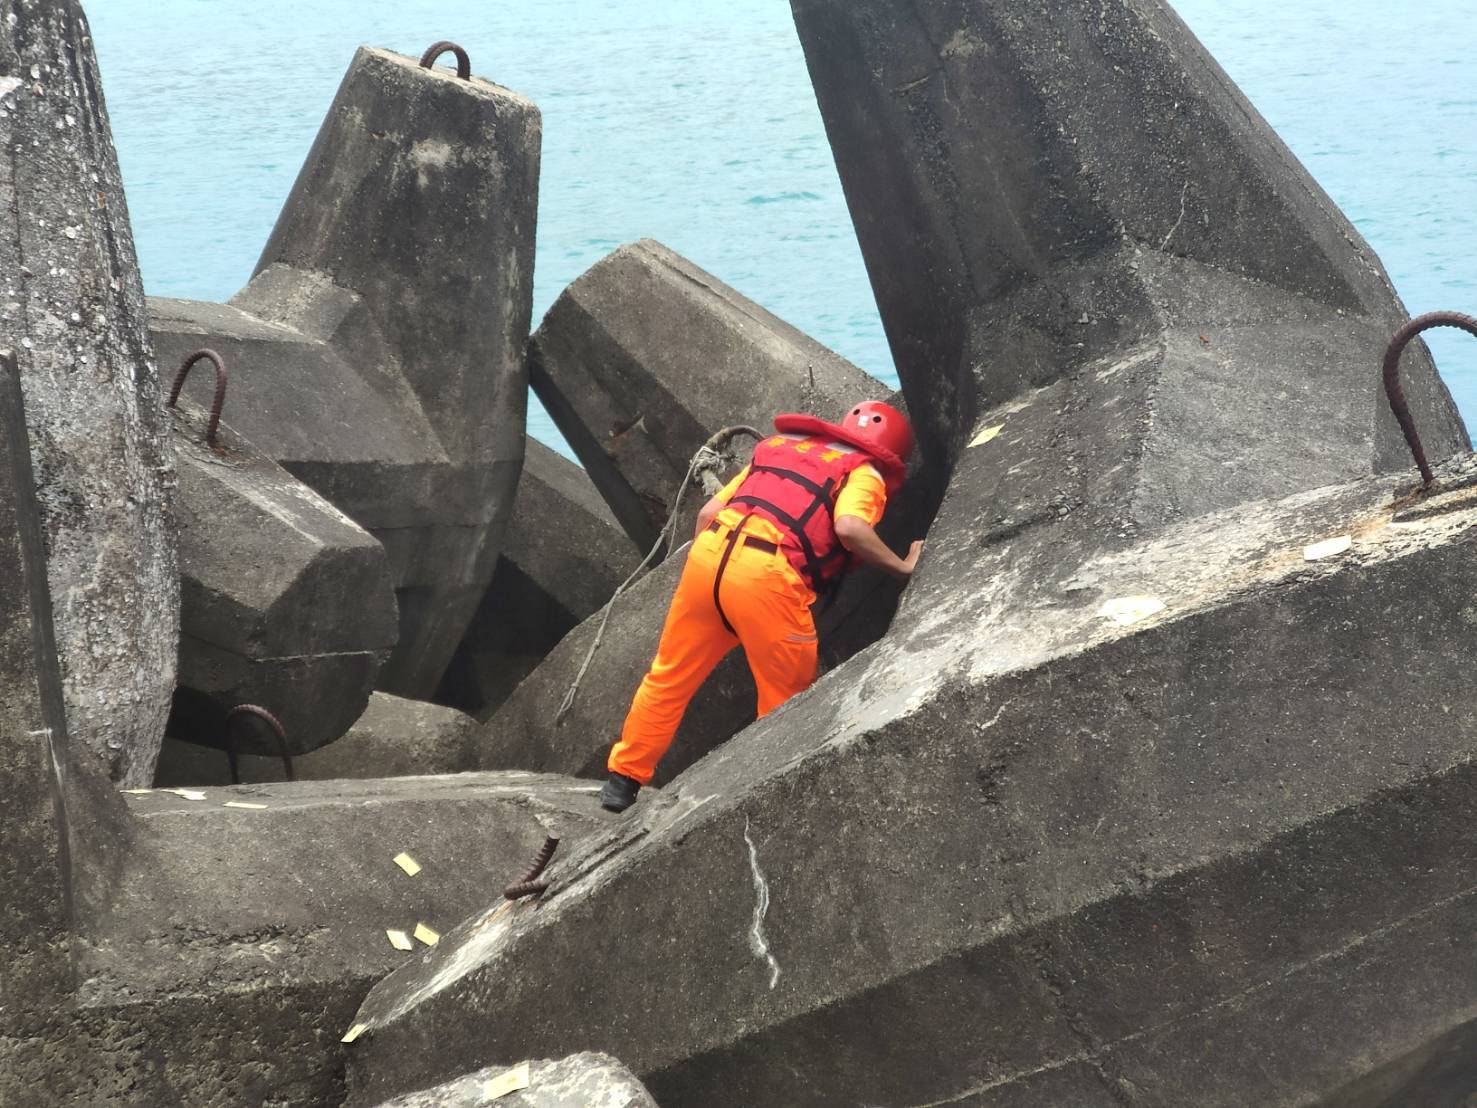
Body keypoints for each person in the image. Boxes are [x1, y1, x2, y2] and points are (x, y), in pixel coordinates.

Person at [600, 400, 922, 813]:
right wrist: (901, 568)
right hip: (769, 574)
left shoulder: (779, 447)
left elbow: (708, 512)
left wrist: (709, 576)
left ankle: (622, 781)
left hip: (708, 557)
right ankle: (769, 800)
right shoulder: (863, 472)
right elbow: (849, 527)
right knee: (785, 700)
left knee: (669, 677)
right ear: (890, 452)